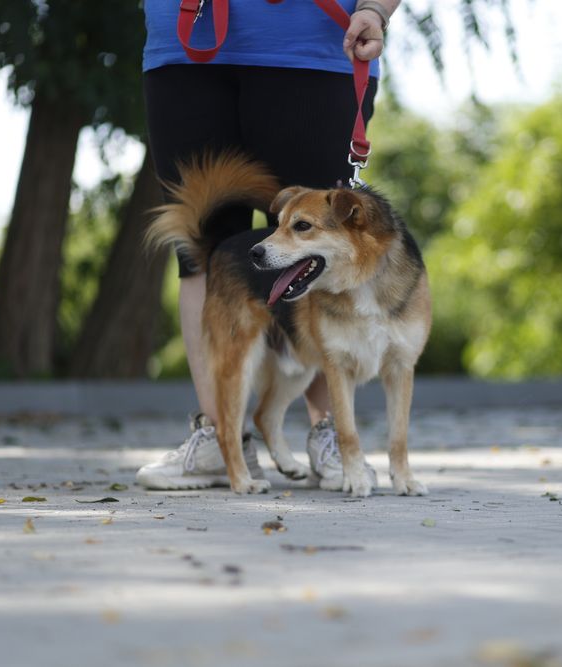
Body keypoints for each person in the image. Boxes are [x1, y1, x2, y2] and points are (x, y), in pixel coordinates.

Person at [136, 0, 401, 490]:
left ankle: (332, 433)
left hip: (314, 45)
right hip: (184, 44)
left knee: (322, 247)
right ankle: (220, 437)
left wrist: (375, 8)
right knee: (201, 249)